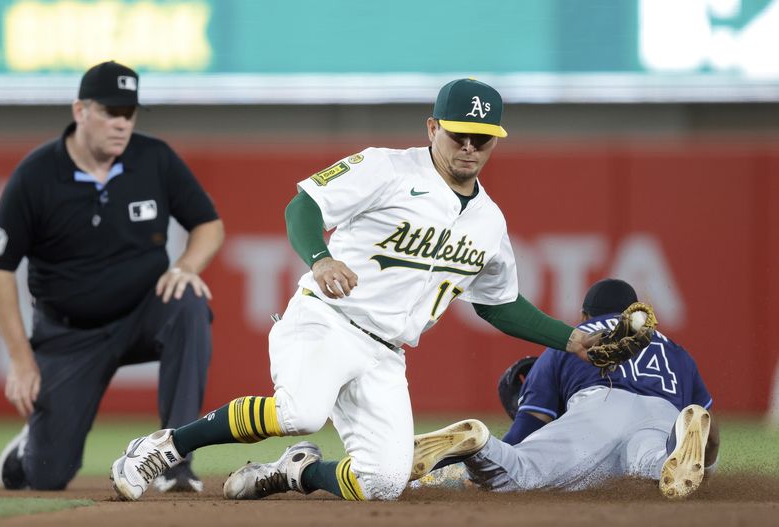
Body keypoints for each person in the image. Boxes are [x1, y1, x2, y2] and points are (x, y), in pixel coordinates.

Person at [110, 78, 603, 502]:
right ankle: (167, 446)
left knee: (383, 483)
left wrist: (571, 340)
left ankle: (293, 471)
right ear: (433, 128)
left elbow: (499, 304)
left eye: (483, 138)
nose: (469, 147)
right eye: (459, 134)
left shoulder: (489, 222)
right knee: (301, 411)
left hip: (386, 353)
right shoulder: (386, 168)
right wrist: (320, 258)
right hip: (328, 319)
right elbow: (302, 207)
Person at [0, 61, 224, 492]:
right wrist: (21, 359)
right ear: (80, 110)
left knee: (189, 302)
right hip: (69, 336)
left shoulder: (154, 159)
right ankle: (31, 448)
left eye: (129, 114)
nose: (122, 124)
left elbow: (208, 225)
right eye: (110, 112)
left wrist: (185, 266)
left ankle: (173, 460)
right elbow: (0, 271)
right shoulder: (36, 175)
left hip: (141, 314)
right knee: (48, 475)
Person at [410, 278, 720, 500]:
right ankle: (666, 456)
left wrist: (488, 469)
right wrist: (707, 460)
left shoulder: (574, 338)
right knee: (646, 466)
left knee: (521, 474)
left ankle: (478, 445)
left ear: (585, 316)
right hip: (664, 415)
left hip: (602, 407)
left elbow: (527, 428)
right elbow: (711, 428)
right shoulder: (677, 352)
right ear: (631, 313)